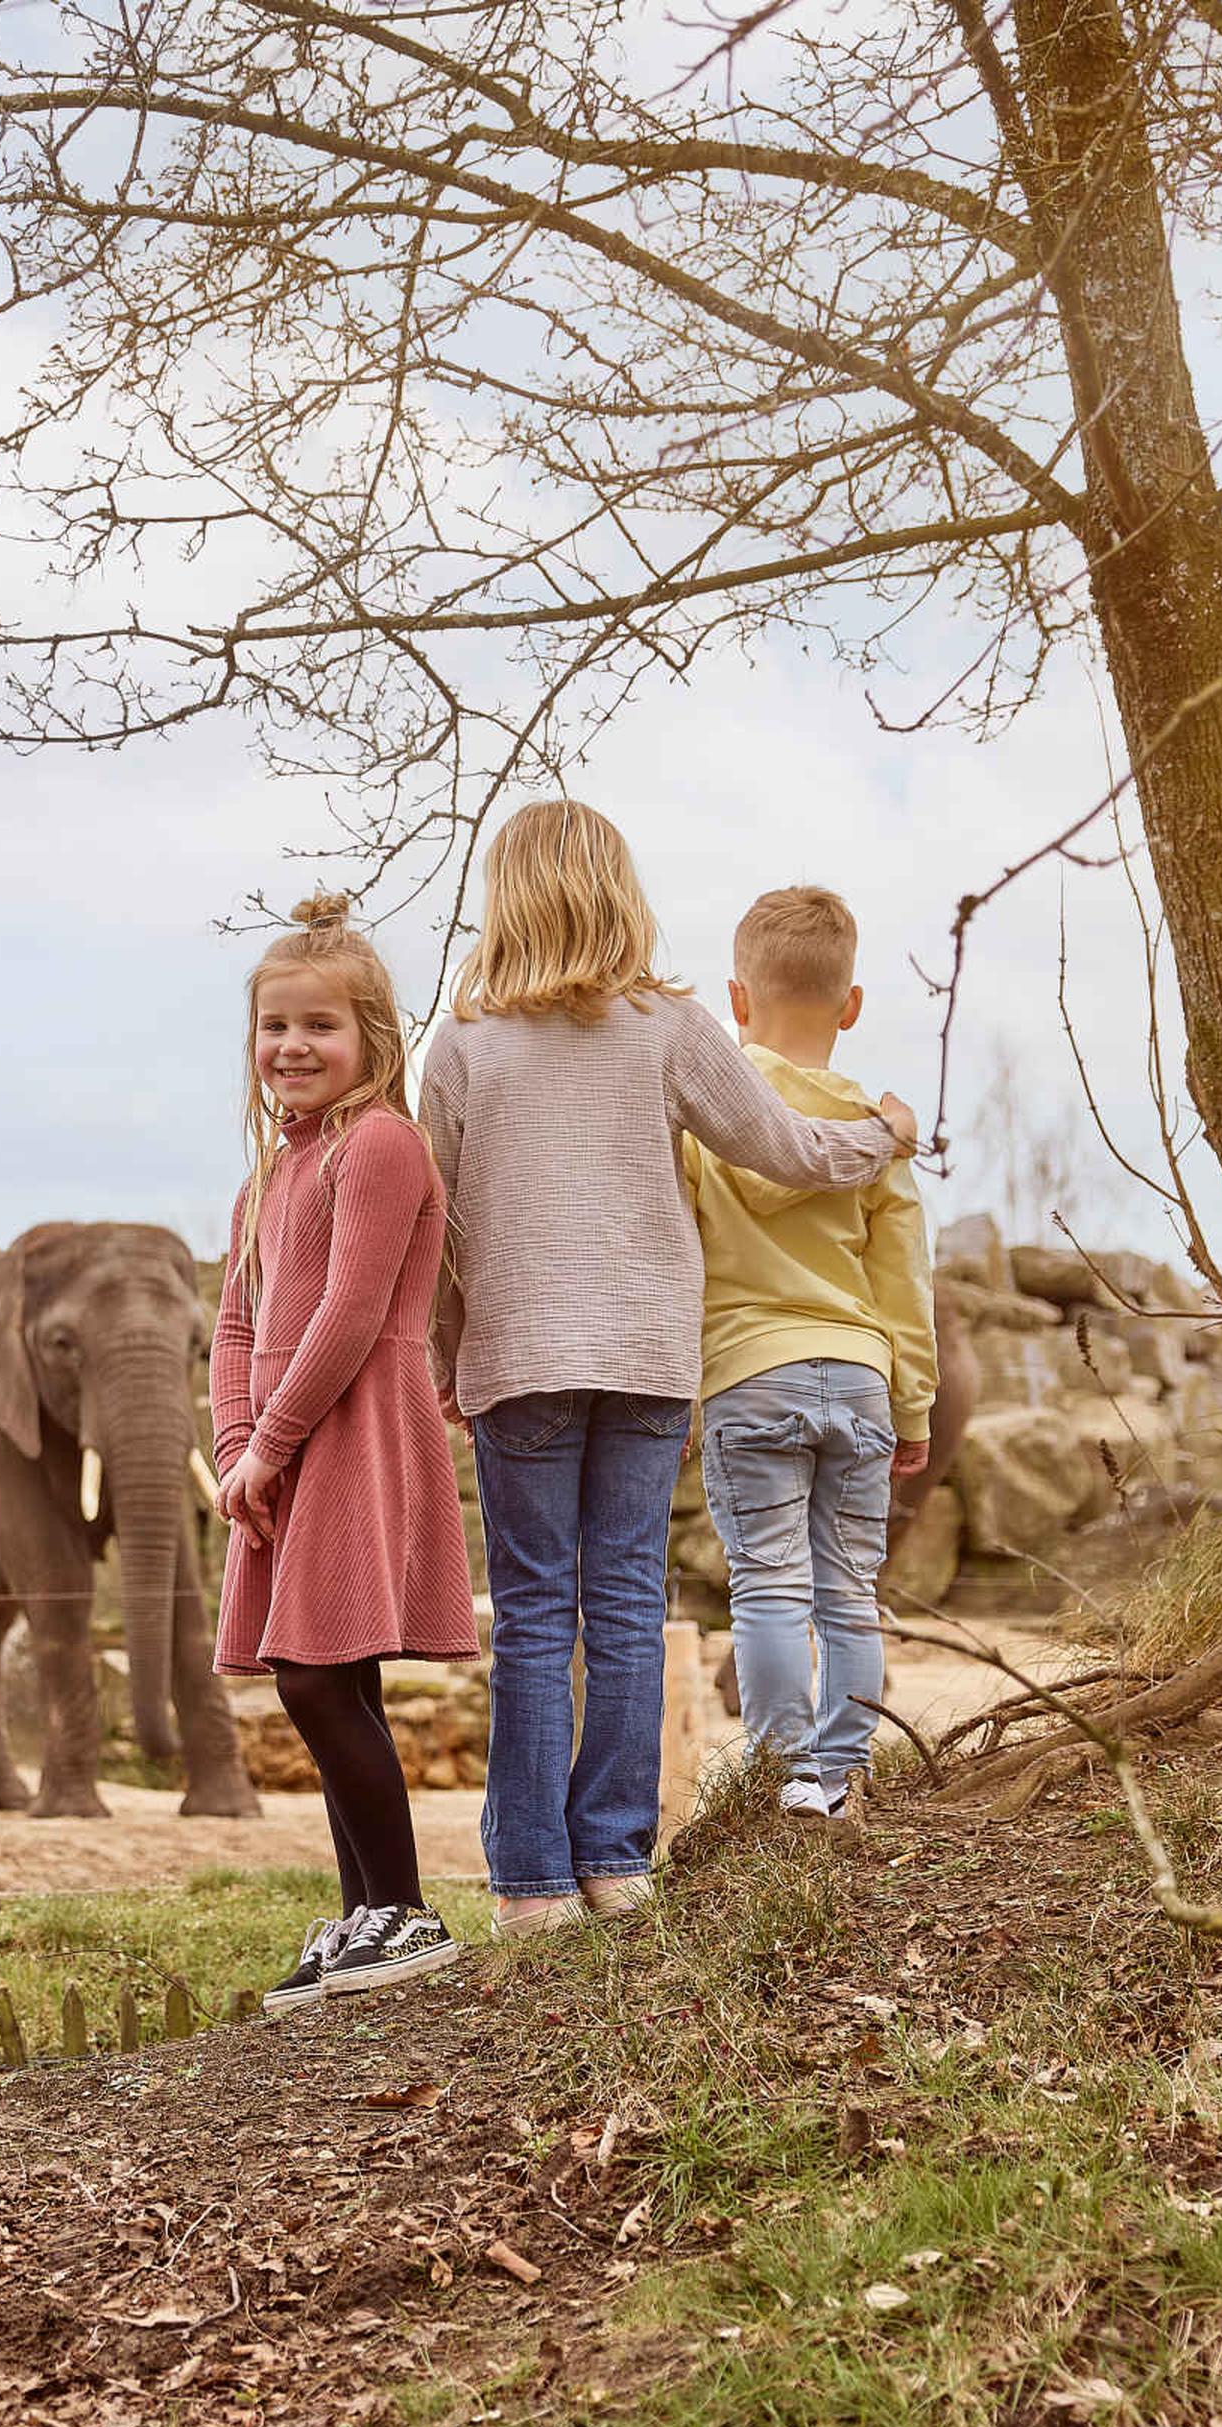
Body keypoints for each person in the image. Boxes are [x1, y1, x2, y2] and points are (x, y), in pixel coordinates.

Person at [417, 802, 918, 1939]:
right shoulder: (669, 1026)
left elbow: (436, 1226)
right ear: (619, 891)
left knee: (539, 1615)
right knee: (630, 1604)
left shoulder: (462, 1043)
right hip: (647, 1357)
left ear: (506, 899)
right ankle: (615, 1862)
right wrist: (880, 1135)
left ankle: (532, 1887)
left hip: (522, 1355)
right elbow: (786, 1152)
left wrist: (450, 1356)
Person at [212, 896, 482, 2007]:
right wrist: (236, 1444)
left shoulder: (381, 1147)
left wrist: (270, 1444)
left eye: (319, 1027)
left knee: (320, 1678)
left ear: (374, 1037)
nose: (292, 1048)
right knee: (322, 1672)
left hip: (355, 1427)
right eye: (275, 1027)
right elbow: (236, 1322)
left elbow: (355, 1315)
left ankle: (405, 1911)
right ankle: (365, 1910)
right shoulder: (267, 1175)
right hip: (280, 1444)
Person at [683, 886, 935, 1821]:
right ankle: (844, 1772)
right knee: (850, 1590)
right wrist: (913, 1407)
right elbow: (905, 1280)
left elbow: (682, 1255)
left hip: (751, 1372)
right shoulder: (881, 1133)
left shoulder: (706, 1126)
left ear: (735, 1003)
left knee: (769, 1584)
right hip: (860, 1375)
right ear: (852, 1005)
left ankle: (782, 1774)